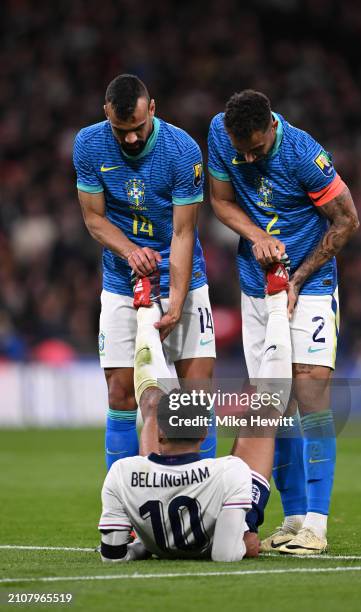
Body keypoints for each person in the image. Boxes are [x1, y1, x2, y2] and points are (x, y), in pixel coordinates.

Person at [208, 90, 359, 554]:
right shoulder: (220, 133)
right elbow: (220, 200)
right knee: (275, 400)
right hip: (257, 287)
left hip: (309, 284)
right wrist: (256, 235)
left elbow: (347, 220)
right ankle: (292, 519)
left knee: (310, 389)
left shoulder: (304, 155)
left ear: (272, 125)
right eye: (242, 151)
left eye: (255, 148)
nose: (248, 157)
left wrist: (297, 278)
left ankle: (316, 523)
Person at [72, 74, 216, 467]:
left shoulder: (182, 149)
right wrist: (131, 251)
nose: (131, 139)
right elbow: (93, 218)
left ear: (152, 109)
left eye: (138, 128)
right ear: (106, 115)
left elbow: (184, 232)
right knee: (121, 394)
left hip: (183, 279)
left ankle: (205, 514)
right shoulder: (88, 143)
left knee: (194, 399)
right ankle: (122, 518)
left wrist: (176, 301)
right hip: (122, 283)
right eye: (122, 131)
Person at [98, 393, 255, 562]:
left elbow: (112, 556)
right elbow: (225, 555)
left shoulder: (122, 472)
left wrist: (140, 547)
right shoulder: (231, 470)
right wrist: (246, 545)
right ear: (204, 433)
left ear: (160, 432)